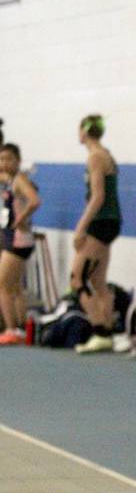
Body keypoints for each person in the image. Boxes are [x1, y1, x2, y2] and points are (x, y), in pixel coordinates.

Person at [71, 114, 122, 353]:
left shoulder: (96, 157)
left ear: (84, 131)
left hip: (101, 223)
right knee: (98, 280)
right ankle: (108, 330)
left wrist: (81, 227)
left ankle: (99, 330)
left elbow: (98, 196)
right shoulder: (105, 154)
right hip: (109, 221)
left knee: (78, 279)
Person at [0, 143, 40, 344]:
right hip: (16, 238)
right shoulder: (9, 179)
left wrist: (21, 218)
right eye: (2, 159)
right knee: (15, 287)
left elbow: (35, 201)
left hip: (17, 239)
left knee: (2, 285)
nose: (5, 163)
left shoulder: (19, 180)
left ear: (18, 160)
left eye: (9, 159)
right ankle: (22, 327)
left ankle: (11, 329)